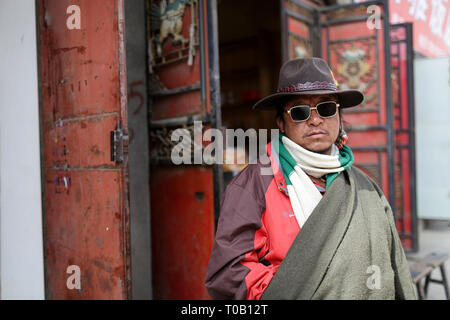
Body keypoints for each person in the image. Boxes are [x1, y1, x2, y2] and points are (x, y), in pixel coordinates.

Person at [205, 57, 416, 300]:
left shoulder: (365, 187)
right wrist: (300, 289)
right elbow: (229, 272)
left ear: (338, 116)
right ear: (281, 123)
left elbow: (392, 264)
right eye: (300, 111)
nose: (315, 120)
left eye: (326, 108)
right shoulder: (254, 183)